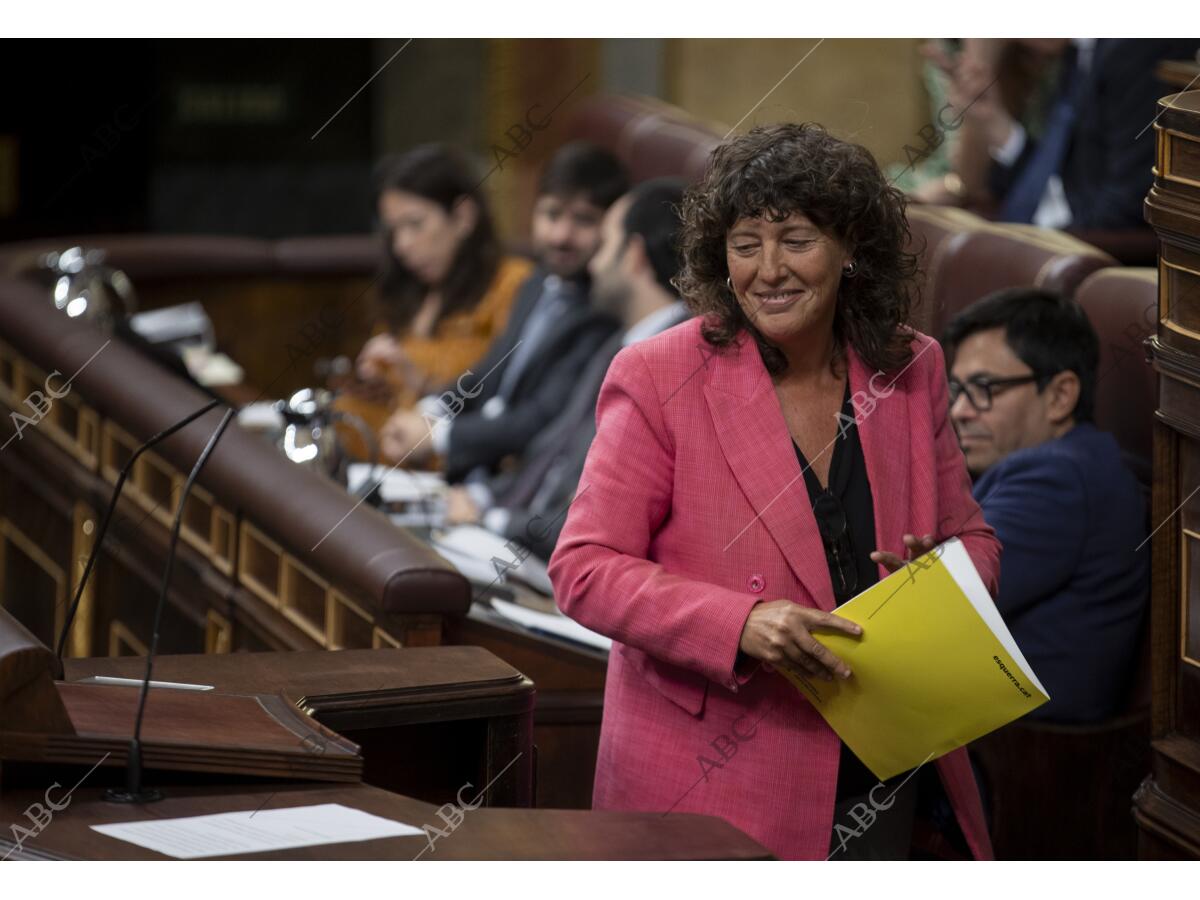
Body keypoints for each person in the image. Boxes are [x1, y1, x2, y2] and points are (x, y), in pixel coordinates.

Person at [548, 122, 1001, 861]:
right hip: (710, 782)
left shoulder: (909, 367)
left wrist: (942, 582)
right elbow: (584, 568)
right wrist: (741, 623)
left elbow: (975, 542)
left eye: (796, 239)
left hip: (881, 765)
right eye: (745, 243)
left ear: (851, 247)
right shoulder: (660, 375)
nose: (768, 269)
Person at [444, 177, 692, 560]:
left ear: (635, 255)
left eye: (605, 244)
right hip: (518, 539)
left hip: (560, 572)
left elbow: (603, 515)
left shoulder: (674, 363)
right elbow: (551, 450)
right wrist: (483, 498)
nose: (592, 263)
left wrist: (494, 519)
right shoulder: (623, 341)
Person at [942, 288, 1149, 723]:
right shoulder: (1072, 462)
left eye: (984, 388)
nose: (959, 410)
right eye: (955, 389)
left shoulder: (1057, 479)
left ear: (1060, 395)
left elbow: (939, 608)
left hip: (1010, 757)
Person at [378, 141, 625, 481]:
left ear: (613, 229)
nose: (561, 236)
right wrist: (430, 410)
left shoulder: (604, 316)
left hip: (515, 488)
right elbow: (486, 374)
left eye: (584, 220)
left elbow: (541, 419)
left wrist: (438, 436)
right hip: (471, 471)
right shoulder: (536, 283)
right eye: (552, 214)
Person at [338, 144, 532, 453]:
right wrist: (371, 383)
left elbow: (509, 396)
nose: (401, 245)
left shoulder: (512, 284)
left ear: (463, 216)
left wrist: (423, 386)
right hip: (379, 453)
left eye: (415, 224)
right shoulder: (405, 291)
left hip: (455, 460)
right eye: (394, 231)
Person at [930, 38, 1200, 229]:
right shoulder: (1079, 51)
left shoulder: (1135, 47)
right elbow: (1063, 181)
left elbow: (1125, 211)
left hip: (1096, 261)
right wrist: (995, 125)